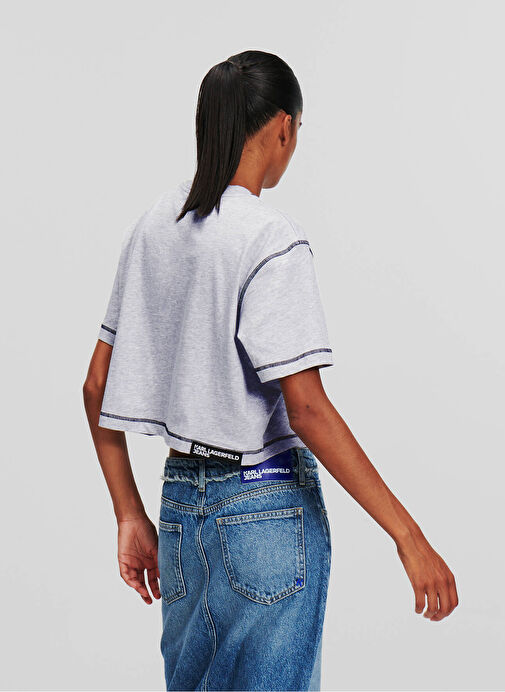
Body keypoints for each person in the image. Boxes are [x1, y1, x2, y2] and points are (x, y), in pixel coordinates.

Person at [83, 49, 459, 692]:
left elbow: (96, 385)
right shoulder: (269, 238)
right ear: (283, 127)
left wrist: (129, 514)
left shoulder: (154, 227)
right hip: (264, 507)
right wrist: (408, 535)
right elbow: (306, 408)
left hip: (178, 510)